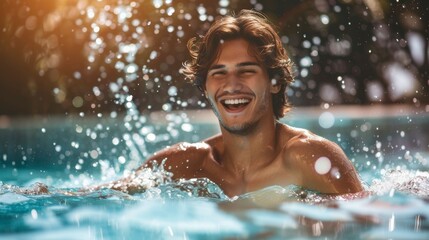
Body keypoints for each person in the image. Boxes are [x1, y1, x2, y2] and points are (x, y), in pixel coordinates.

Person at [104, 9, 363, 197]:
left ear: (274, 82)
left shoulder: (310, 157)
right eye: (218, 73)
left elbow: (367, 223)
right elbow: (96, 198)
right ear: (205, 87)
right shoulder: (189, 163)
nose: (231, 84)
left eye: (246, 70)